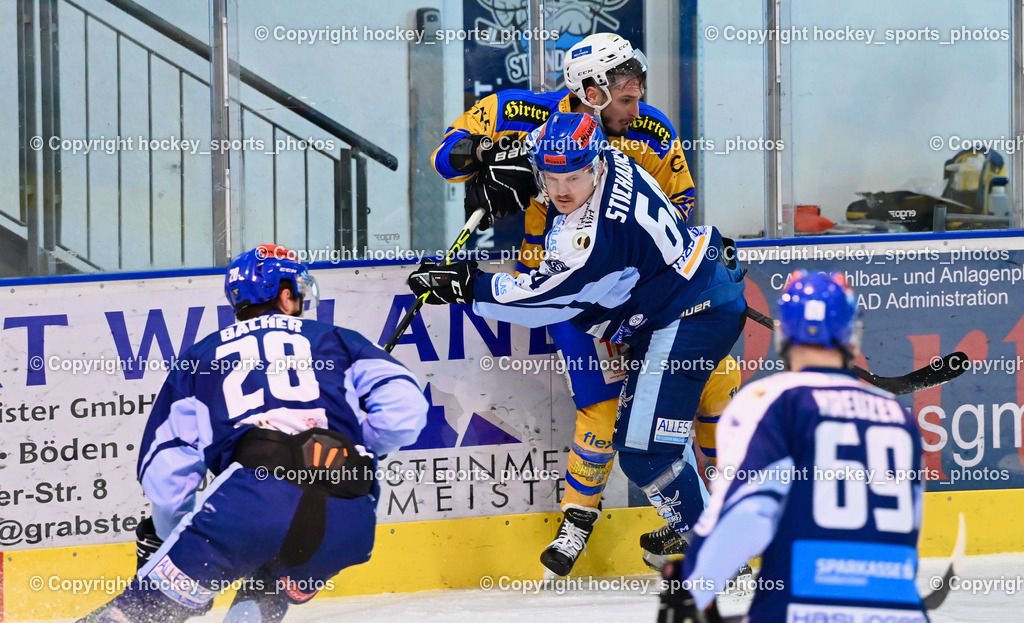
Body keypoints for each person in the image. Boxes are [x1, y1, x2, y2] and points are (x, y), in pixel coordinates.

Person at [432, 31, 740, 575]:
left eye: (637, 96)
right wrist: (490, 154)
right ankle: (580, 521)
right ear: (591, 92)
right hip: (565, 291)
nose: (637, 108)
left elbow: (680, 201)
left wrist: (682, 246)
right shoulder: (519, 111)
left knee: (713, 386)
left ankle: (710, 518)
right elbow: (445, 159)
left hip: (630, 290)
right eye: (626, 98)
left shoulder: (649, 129)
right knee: (601, 407)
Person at [80, 245, 428, 623]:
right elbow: (404, 416)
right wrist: (350, 445)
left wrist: (173, 540)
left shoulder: (200, 359)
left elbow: (167, 478)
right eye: (299, 290)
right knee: (268, 585)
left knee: (139, 613)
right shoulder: (342, 340)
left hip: (250, 505)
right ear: (285, 295)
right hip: (349, 520)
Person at [658, 271, 928, 623]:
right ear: (853, 337)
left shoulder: (769, 401)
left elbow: (748, 514)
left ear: (783, 334)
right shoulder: (898, 416)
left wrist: (693, 585)